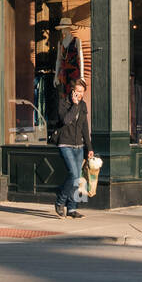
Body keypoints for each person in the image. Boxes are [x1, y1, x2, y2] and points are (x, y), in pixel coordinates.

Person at [54, 79, 94, 218]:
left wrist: (89, 148)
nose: (80, 94)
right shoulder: (63, 103)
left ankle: (72, 209)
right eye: (77, 91)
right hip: (65, 143)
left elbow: (84, 127)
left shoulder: (83, 105)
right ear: (72, 91)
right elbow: (65, 120)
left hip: (79, 145)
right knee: (73, 174)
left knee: (78, 178)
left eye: (82, 92)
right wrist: (75, 105)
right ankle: (60, 201)